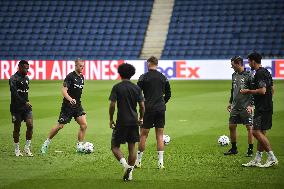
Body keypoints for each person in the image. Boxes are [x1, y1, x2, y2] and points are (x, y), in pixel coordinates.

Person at [41, 59, 88, 154]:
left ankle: (79, 146)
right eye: (80, 66)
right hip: (68, 105)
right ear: (75, 65)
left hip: (77, 105)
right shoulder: (70, 76)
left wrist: (76, 102)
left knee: (84, 125)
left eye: (83, 66)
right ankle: (46, 143)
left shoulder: (82, 77)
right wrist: (70, 99)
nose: (82, 68)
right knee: (60, 126)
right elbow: (63, 90)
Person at [240, 52, 278, 168]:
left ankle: (272, 157)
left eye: (249, 61)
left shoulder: (260, 74)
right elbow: (272, 88)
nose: (249, 63)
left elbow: (262, 91)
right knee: (261, 132)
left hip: (262, 108)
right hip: (266, 106)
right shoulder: (266, 72)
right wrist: (268, 101)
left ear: (253, 61)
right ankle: (257, 158)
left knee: (255, 132)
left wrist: (248, 91)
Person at [109, 63, 145, 181]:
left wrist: (111, 119)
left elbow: (112, 105)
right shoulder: (137, 88)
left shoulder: (117, 87)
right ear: (132, 73)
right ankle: (130, 173)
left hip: (121, 121)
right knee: (131, 148)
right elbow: (142, 106)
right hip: (134, 121)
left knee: (114, 146)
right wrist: (141, 118)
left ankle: (125, 166)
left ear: (119, 73)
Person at [135, 56, 171, 169]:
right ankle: (161, 163)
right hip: (160, 108)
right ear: (157, 64)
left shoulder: (143, 77)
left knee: (143, 135)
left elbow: (137, 93)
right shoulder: (163, 77)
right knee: (160, 135)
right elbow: (169, 94)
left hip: (148, 109)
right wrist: (162, 103)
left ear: (149, 63)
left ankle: (138, 162)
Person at [224, 56, 254, 157]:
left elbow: (253, 91)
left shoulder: (249, 75)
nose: (231, 67)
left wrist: (251, 105)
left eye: (233, 65)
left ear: (238, 64)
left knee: (249, 128)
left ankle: (250, 150)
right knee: (231, 126)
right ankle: (234, 149)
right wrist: (230, 102)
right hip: (235, 106)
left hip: (246, 106)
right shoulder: (234, 75)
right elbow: (233, 90)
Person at [9, 60, 33, 157]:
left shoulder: (27, 78)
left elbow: (24, 94)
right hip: (16, 108)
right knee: (17, 128)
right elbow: (14, 94)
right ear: (19, 67)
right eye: (25, 68)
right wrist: (25, 102)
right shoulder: (13, 79)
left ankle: (27, 148)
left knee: (30, 125)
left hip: (26, 108)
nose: (27, 70)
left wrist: (26, 103)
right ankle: (17, 149)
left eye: (28, 68)